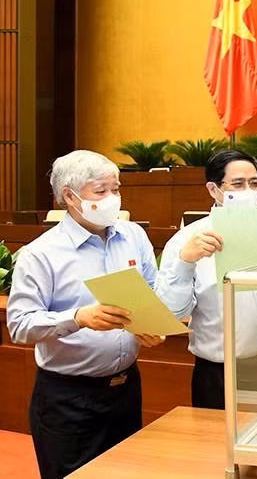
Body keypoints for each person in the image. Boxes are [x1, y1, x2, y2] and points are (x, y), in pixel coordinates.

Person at [7, 150, 163, 479]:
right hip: (68, 398)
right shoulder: (41, 253)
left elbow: (151, 290)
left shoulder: (132, 235)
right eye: (101, 190)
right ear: (70, 196)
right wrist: (78, 318)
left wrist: (152, 324)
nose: (112, 198)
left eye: (116, 189)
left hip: (125, 388)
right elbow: (20, 326)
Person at [155, 150, 257, 410]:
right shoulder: (186, 240)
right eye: (238, 184)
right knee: (214, 447)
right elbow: (171, 312)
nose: (249, 191)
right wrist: (185, 262)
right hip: (215, 372)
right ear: (213, 189)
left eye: (254, 184)